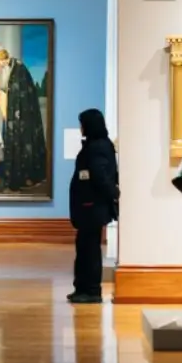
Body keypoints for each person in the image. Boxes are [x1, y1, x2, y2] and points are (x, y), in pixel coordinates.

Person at [68, 109, 119, 304]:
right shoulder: (96, 145)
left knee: (89, 250)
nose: (81, 128)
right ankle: (82, 287)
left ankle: (91, 290)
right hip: (89, 207)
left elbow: (99, 176)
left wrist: (113, 194)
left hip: (92, 206)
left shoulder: (98, 147)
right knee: (84, 247)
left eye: (82, 124)